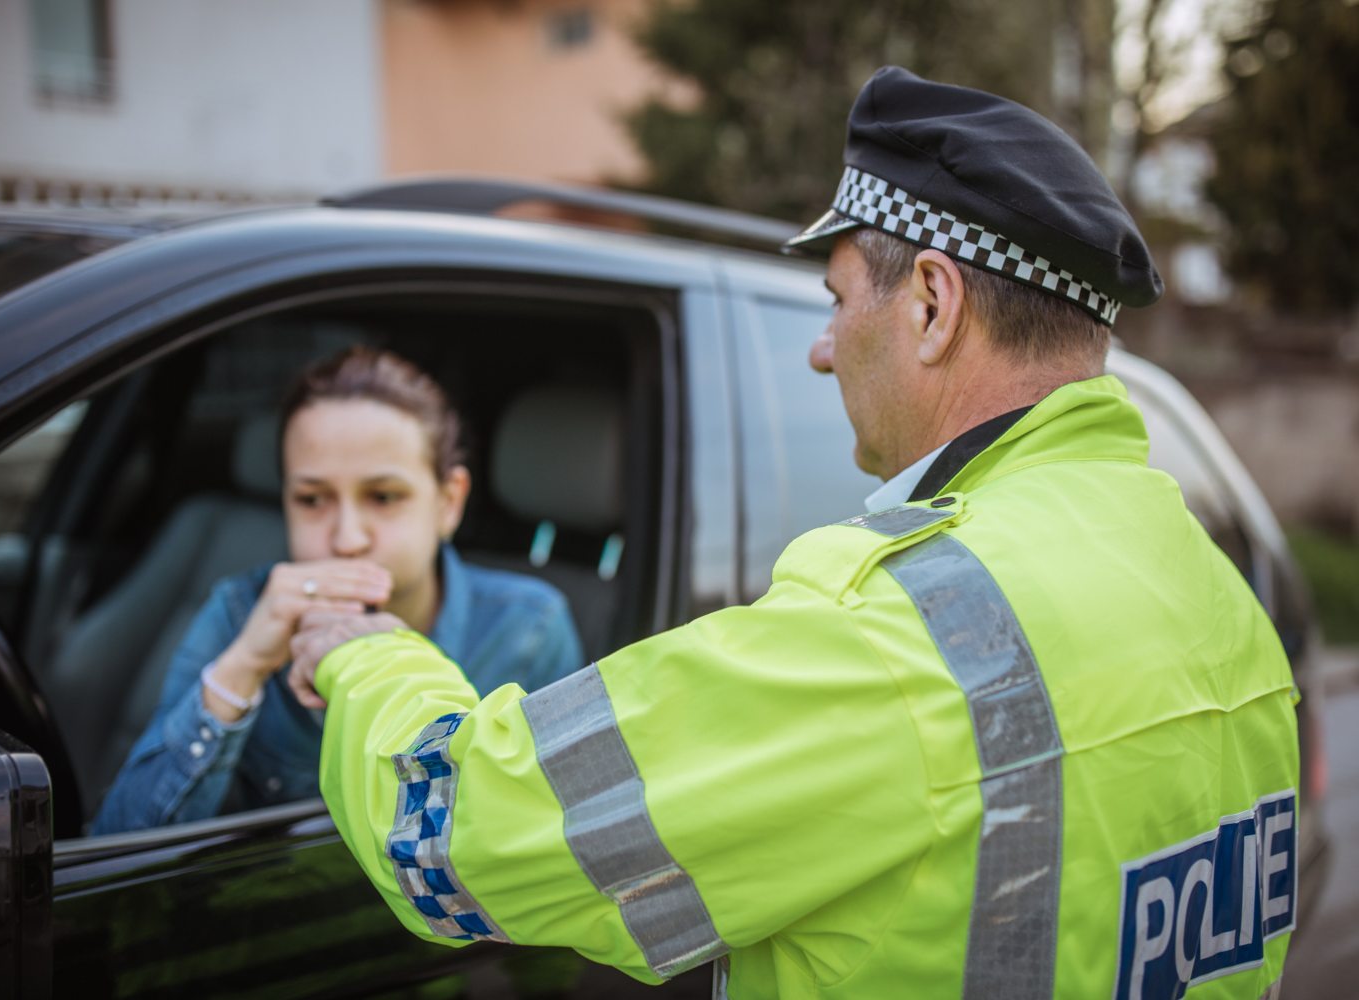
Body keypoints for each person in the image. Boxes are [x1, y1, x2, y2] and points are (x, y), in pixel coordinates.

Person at [286, 69, 1299, 999]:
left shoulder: (899, 634)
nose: (819, 350)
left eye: (835, 298)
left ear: (933, 304)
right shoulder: (1209, 586)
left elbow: (453, 839)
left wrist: (366, 653)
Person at [93, 346, 584, 833]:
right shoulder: (241, 612)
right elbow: (117, 845)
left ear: (448, 502)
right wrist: (242, 669)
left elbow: (552, 837)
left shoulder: (527, 630)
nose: (347, 539)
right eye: (312, 500)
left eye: (384, 497)